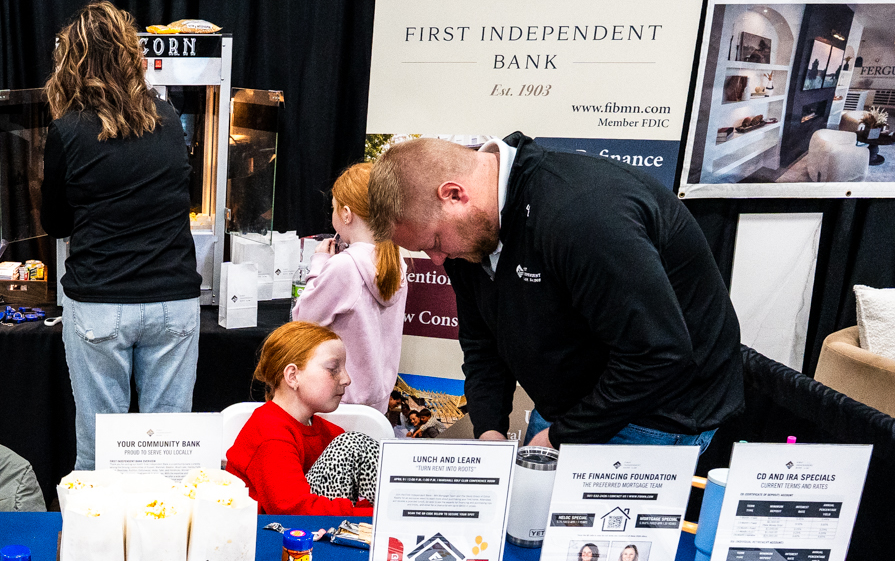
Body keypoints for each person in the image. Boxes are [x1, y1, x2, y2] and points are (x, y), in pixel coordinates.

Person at [369, 135, 742, 449]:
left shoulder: (583, 215)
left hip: (654, 419)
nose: (435, 259)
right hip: (566, 414)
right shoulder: (468, 237)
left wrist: (563, 436)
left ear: (454, 194)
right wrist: (489, 430)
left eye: (434, 241)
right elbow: (483, 341)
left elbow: (658, 353)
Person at [41, 1, 201, 471]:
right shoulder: (169, 119)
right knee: (169, 456)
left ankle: (99, 545)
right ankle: (166, 544)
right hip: (173, 300)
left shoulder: (66, 131)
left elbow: (57, 224)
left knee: (99, 455)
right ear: (132, 55)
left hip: (99, 302)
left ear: (72, 62)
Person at [225, 321, 373, 517]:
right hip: (278, 539)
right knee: (352, 444)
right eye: (333, 368)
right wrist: (374, 515)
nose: (346, 379)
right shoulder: (269, 432)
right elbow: (294, 509)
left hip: (312, 533)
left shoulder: (331, 434)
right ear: (292, 376)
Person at [292, 163, 405, 413]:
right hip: (377, 403)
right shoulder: (397, 261)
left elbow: (302, 321)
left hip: (340, 403)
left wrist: (319, 264)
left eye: (333, 207)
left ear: (346, 213)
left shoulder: (345, 266)